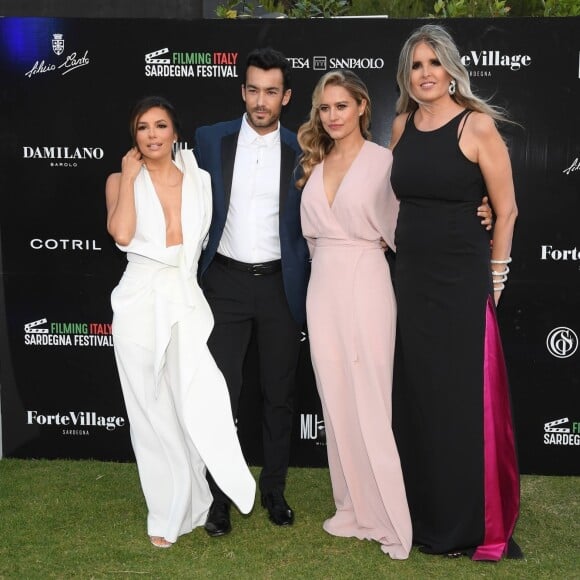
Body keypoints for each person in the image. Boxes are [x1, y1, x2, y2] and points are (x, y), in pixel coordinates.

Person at [389, 24, 521, 561]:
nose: (425, 74)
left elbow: (506, 209)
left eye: (433, 63)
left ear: (451, 70)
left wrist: (494, 279)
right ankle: (422, 517)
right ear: (407, 75)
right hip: (410, 280)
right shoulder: (399, 126)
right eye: (416, 65)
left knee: (463, 403)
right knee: (419, 398)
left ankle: (469, 524)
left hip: (463, 282)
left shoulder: (477, 125)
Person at [105, 96, 255, 548]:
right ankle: (164, 509)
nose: (151, 134)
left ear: (175, 132)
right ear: (134, 136)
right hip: (138, 299)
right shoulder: (119, 179)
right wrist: (130, 178)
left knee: (194, 399)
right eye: (142, 127)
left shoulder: (200, 179)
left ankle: (198, 498)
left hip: (186, 298)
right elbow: (123, 235)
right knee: (148, 409)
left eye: (160, 125)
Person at [194, 48, 310, 536]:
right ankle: (219, 497)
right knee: (222, 395)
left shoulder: (304, 149)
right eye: (253, 90)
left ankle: (275, 490)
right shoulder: (208, 140)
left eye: (271, 92)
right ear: (242, 91)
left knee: (279, 395)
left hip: (281, 285)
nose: (261, 101)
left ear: (285, 96)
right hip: (224, 283)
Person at [297, 70, 412, 559]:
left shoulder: (386, 162)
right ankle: (351, 505)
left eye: (341, 106)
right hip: (321, 284)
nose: (332, 116)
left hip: (367, 278)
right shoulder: (314, 163)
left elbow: (410, 225)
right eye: (325, 108)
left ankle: (388, 514)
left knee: (370, 398)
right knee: (335, 399)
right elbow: (307, 240)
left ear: (363, 106)